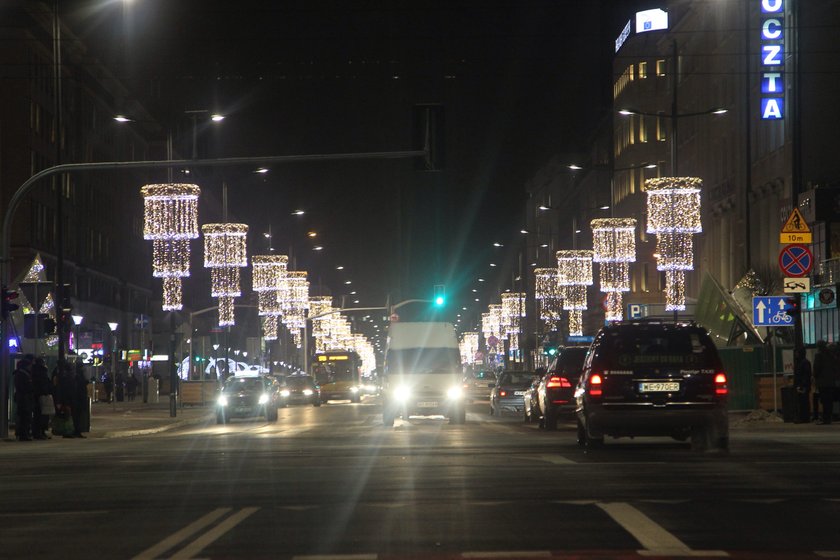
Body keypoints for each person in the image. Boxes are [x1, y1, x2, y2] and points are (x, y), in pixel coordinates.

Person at [812, 340, 838, 424]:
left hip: (822, 382)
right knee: (829, 401)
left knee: (824, 401)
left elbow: (816, 369)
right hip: (831, 382)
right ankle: (828, 418)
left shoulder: (818, 355)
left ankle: (825, 418)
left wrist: (815, 377)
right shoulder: (831, 355)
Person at [12, 355, 35, 441]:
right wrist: (30, 388)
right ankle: (23, 434)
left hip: (23, 397)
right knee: (25, 416)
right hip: (24, 398)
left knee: (24, 416)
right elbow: (24, 387)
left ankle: (23, 433)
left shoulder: (20, 374)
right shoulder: (23, 374)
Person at [31, 357, 54, 439]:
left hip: (37, 395)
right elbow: (45, 383)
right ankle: (40, 432)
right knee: (42, 415)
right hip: (42, 395)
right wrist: (47, 391)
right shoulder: (42, 371)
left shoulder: (33, 371)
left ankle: (38, 432)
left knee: (38, 415)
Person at [792, 347, 812, 424]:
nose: (796, 354)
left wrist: (802, 385)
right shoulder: (803, 362)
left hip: (803, 386)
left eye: (797, 352)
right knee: (803, 402)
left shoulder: (803, 363)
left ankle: (804, 418)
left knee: (803, 402)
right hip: (803, 385)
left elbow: (806, 375)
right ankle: (804, 418)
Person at [72, 363, 89, 437]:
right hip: (79, 399)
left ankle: (77, 430)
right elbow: (80, 387)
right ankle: (77, 430)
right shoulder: (79, 376)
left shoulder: (76, 375)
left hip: (78, 398)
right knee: (77, 416)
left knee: (78, 416)